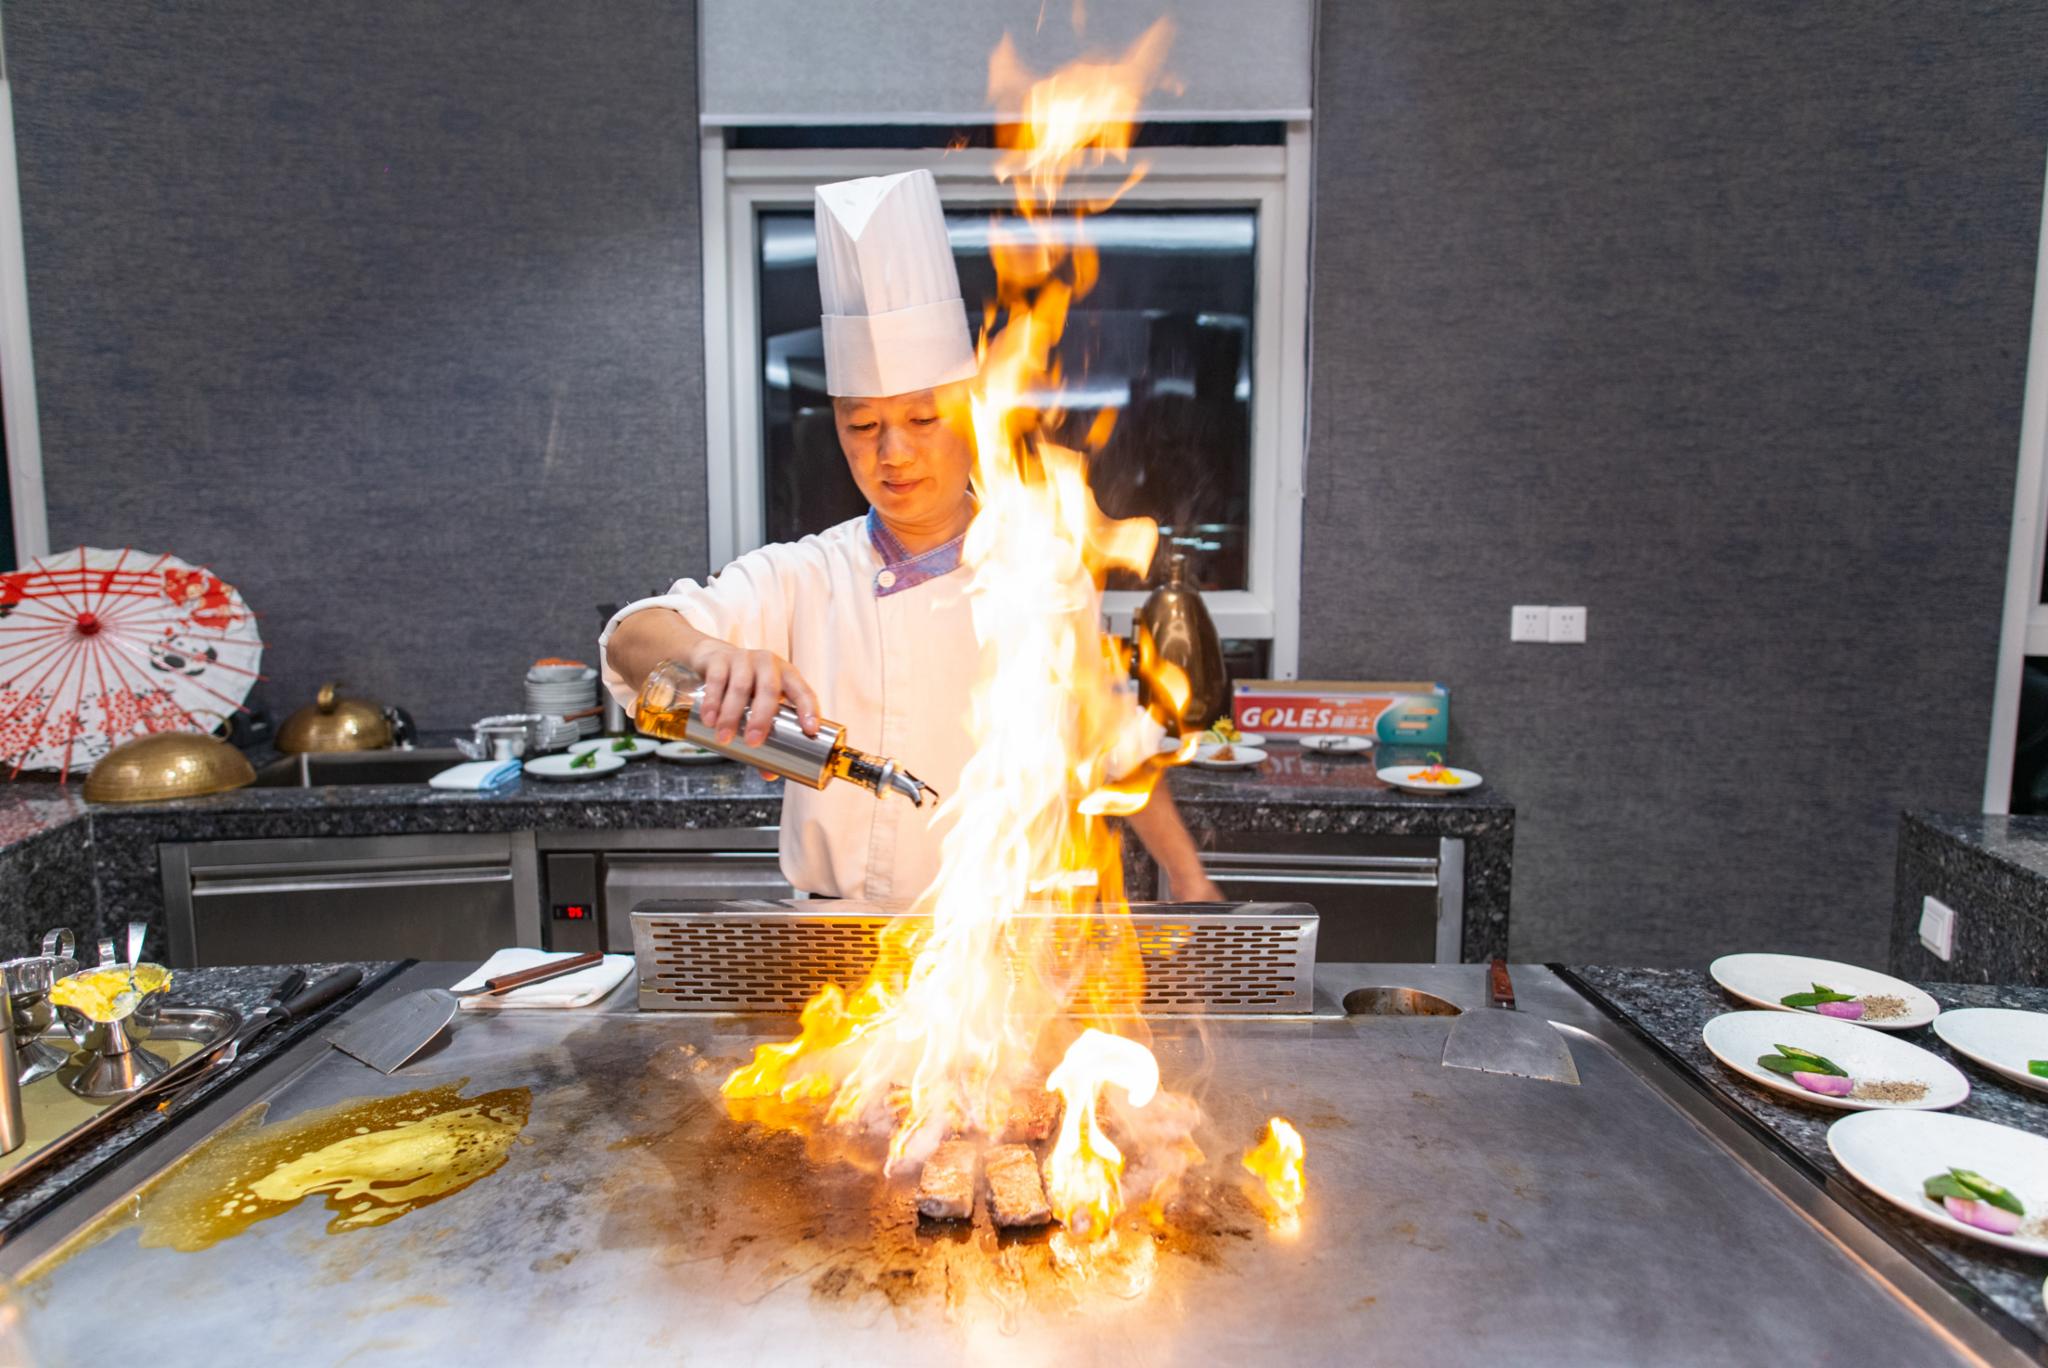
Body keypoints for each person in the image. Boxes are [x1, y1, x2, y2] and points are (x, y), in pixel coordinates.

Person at [601, 168, 1220, 905]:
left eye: (922, 421)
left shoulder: (1041, 571)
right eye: (862, 426)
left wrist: (1187, 874)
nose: (891, 453)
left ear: (970, 418)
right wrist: (708, 653)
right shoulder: (808, 575)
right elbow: (630, 642)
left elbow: (1109, 743)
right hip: (836, 955)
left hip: (995, 957)